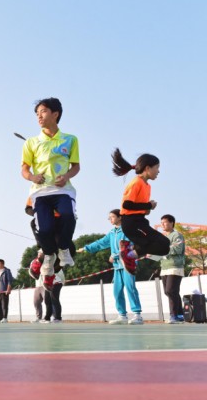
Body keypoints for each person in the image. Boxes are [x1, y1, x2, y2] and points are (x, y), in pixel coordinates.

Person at [21, 98, 80, 288]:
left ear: (56, 114)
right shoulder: (31, 142)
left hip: (63, 190)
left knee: (68, 216)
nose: (39, 116)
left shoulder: (70, 139)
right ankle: (47, 256)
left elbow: (76, 166)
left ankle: (63, 249)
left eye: (43, 111)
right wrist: (32, 177)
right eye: (37, 113)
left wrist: (66, 176)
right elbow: (24, 170)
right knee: (44, 229)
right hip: (40, 193)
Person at [78, 210, 143, 325]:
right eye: (109, 217)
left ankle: (137, 315)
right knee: (117, 290)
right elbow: (101, 243)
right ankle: (122, 315)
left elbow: (129, 247)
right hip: (117, 266)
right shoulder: (112, 232)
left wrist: (115, 255)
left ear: (120, 217)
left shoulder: (127, 230)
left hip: (128, 264)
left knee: (130, 288)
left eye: (112, 217)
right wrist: (86, 248)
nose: (110, 219)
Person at [112, 149, 170, 270]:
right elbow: (127, 205)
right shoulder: (136, 182)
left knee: (165, 246)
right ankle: (128, 253)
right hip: (131, 223)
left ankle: (130, 252)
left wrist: (147, 209)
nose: (158, 171)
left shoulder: (147, 186)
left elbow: (138, 207)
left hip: (140, 221)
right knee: (162, 244)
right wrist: (148, 206)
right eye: (157, 167)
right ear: (148, 168)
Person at [160, 214, 186, 324]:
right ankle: (179, 315)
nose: (162, 224)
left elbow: (177, 249)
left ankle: (174, 315)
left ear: (171, 223)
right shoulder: (163, 237)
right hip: (164, 267)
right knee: (170, 292)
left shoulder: (177, 235)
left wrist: (163, 250)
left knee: (170, 291)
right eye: (161, 223)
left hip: (175, 267)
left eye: (165, 222)